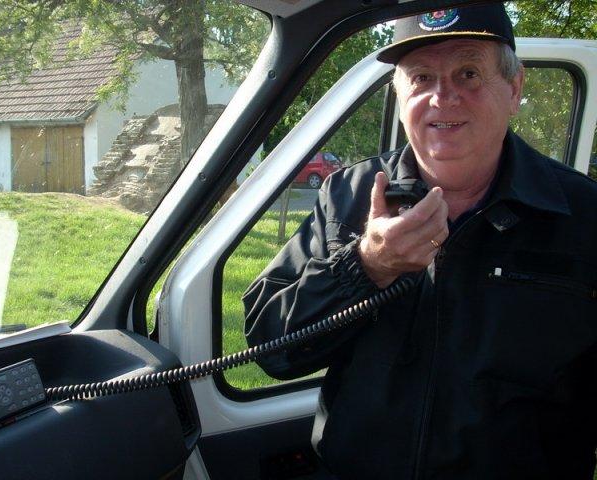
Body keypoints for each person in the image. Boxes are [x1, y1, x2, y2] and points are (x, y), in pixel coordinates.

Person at [244, 4, 597, 479]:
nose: (442, 97)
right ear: (399, 93)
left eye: (468, 73)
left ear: (514, 89)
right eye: (421, 77)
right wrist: (366, 265)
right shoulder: (346, 196)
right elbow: (270, 349)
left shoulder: (583, 215)